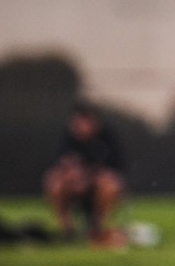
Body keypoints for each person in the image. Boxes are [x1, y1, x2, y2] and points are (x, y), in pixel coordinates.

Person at [43, 101, 126, 245]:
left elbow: (116, 167)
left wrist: (90, 177)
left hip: (97, 187)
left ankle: (99, 228)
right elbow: (60, 164)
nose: (80, 126)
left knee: (109, 183)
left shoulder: (107, 138)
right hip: (73, 187)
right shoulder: (68, 139)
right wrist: (73, 177)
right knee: (53, 181)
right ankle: (66, 229)